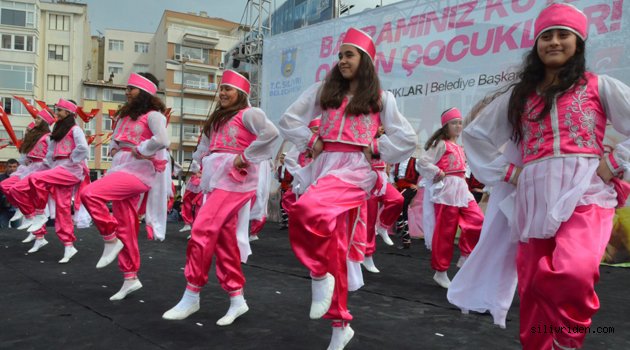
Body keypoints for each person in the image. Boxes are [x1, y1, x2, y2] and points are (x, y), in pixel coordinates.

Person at [462, 3, 630, 349]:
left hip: (586, 191)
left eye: (562, 35)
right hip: (533, 195)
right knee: (533, 285)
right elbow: (475, 134)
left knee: (574, 270)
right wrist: (508, 171)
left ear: (578, 43)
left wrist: (614, 163)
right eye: (546, 36)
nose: (554, 42)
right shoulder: (520, 96)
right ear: (536, 46)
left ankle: (568, 340)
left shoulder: (599, 86)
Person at [278, 28, 416, 350]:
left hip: (355, 171)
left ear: (364, 60)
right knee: (335, 247)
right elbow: (289, 119)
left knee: (308, 209)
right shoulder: (323, 90)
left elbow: (407, 137)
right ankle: (340, 326)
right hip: (325, 166)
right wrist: (312, 140)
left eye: (348, 55)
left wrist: (377, 149)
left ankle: (317, 276)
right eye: (339, 55)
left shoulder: (381, 98)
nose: (341, 60)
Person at [163, 70, 279, 326]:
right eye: (221, 88)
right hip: (218, 182)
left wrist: (244, 157)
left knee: (201, 230)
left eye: (229, 88)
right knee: (224, 241)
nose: (223, 92)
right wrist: (200, 162)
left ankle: (192, 293)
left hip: (236, 182)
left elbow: (270, 133)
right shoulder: (217, 119)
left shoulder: (249, 114)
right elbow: (204, 147)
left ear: (241, 93)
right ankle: (237, 299)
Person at [81, 72, 170, 301]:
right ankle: (130, 277)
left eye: (132, 88)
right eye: (127, 88)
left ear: (145, 91)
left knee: (89, 193)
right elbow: (117, 139)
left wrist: (140, 149)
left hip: (139, 171)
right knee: (127, 226)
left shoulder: (154, 115)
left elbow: (162, 140)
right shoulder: (124, 116)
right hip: (121, 166)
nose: (127, 92)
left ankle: (110, 238)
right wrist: (114, 148)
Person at [417, 108, 483, 289]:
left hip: (462, 188)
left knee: (477, 219)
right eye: (454, 122)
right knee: (445, 232)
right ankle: (440, 271)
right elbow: (422, 162)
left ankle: (466, 254)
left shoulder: (460, 147)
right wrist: (437, 172)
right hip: (446, 190)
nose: (458, 126)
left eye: (460, 122)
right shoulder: (441, 144)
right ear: (446, 125)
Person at [24, 99, 88, 263]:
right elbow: (50, 153)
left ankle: (40, 214)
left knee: (34, 178)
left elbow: (83, 148)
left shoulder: (75, 129)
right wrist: (51, 166)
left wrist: (71, 159)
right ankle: (69, 245)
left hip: (70, 169)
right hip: (59, 169)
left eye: (59, 110)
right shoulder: (57, 131)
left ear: (68, 113)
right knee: (62, 208)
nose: (57, 113)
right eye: (57, 109)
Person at [1, 110, 54, 244]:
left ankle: (39, 236)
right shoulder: (33, 140)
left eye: (38, 119)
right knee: (6, 185)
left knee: (36, 204)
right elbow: (24, 158)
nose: (35, 121)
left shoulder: (48, 136)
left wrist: (44, 167)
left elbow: (52, 155)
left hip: (40, 171)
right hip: (28, 170)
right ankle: (24, 212)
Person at [0, 158, 19, 228]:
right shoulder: (1, 178)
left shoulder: (21, 177)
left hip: (17, 209)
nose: (12, 169)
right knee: (3, 230)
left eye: (14, 167)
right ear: (6, 167)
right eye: (10, 166)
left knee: (18, 231)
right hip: (4, 209)